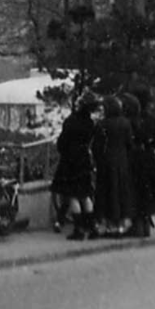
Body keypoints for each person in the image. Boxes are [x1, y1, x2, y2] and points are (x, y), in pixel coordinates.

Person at [51, 89, 97, 240]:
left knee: (72, 196)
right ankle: (91, 227)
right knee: (85, 195)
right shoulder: (90, 123)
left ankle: (78, 229)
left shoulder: (71, 121)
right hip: (84, 159)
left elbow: (62, 142)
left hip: (70, 161)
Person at [91, 94, 138, 237]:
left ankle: (105, 223)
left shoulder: (102, 124)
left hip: (106, 162)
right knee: (121, 192)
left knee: (105, 193)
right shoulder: (125, 123)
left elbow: (97, 146)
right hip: (121, 161)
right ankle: (122, 223)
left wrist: (97, 159)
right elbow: (129, 143)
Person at [127, 90, 155, 237]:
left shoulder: (130, 121)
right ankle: (145, 221)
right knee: (147, 191)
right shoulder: (151, 120)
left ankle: (137, 224)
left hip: (134, 159)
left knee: (135, 191)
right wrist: (150, 143)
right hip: (148, 158)